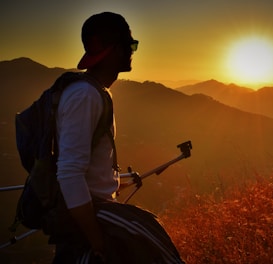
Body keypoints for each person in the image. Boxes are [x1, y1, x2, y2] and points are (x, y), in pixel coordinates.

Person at [51, 12, 183, 263]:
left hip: (93, 212)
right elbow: (69, 172)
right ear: (113, 49)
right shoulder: (85, 96)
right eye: (131, 45)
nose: (133, 51)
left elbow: (85, 167)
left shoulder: (96, 93)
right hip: (90, 220)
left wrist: (115, 181)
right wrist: (97, 240)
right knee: (156, 243)